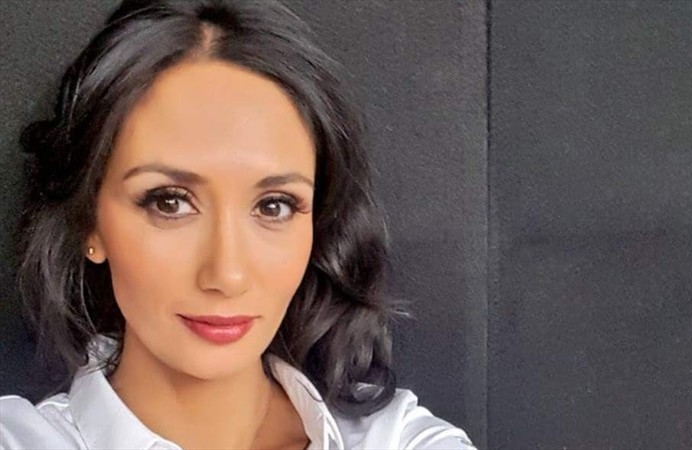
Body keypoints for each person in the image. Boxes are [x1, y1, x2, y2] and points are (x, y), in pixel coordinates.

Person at [0, 1, 475, 449]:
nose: (227, 275)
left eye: (274, 206)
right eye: (170, 202)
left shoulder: (397, 440)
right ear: (89, 220)